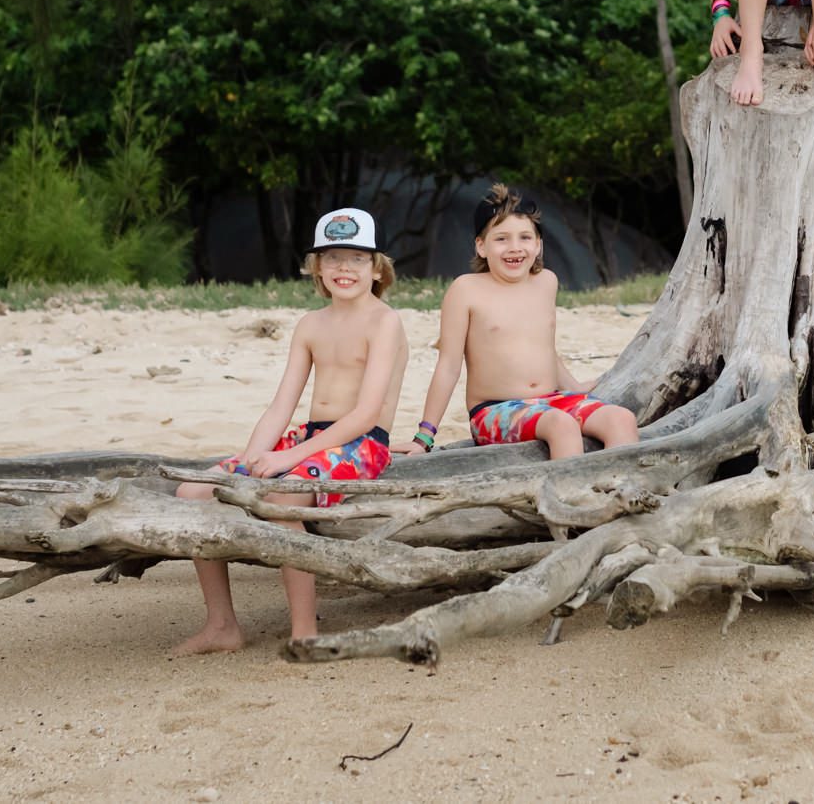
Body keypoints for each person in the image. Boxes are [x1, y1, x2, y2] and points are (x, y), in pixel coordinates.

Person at [170, 207, 406, 654]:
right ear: (315, 266)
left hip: (362, 443)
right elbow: (283, 403)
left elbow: (366, 411)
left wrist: (286, 460)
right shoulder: (310, 325)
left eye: (356, 258)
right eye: (332, 257)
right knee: (194, 492)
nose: (343, 268)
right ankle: (222, 625)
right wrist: (249, 461)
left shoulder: (384, 321)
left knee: (281, 497)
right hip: (311, 436)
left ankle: (304, 631)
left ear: (376, 267)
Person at [397, 185, 638, 460]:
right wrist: (425, 435)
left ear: (538, 245)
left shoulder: (546, 282)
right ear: (481, 246)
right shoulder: (465, 290)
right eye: (501, 239)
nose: (515, 248)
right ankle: (569, 497)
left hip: (552, 400)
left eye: (525, 237)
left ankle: (621, 489)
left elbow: (544, 346)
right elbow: (448, 366)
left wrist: (573, 386)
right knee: (562, 426)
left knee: (622, 419)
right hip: (494, 411)